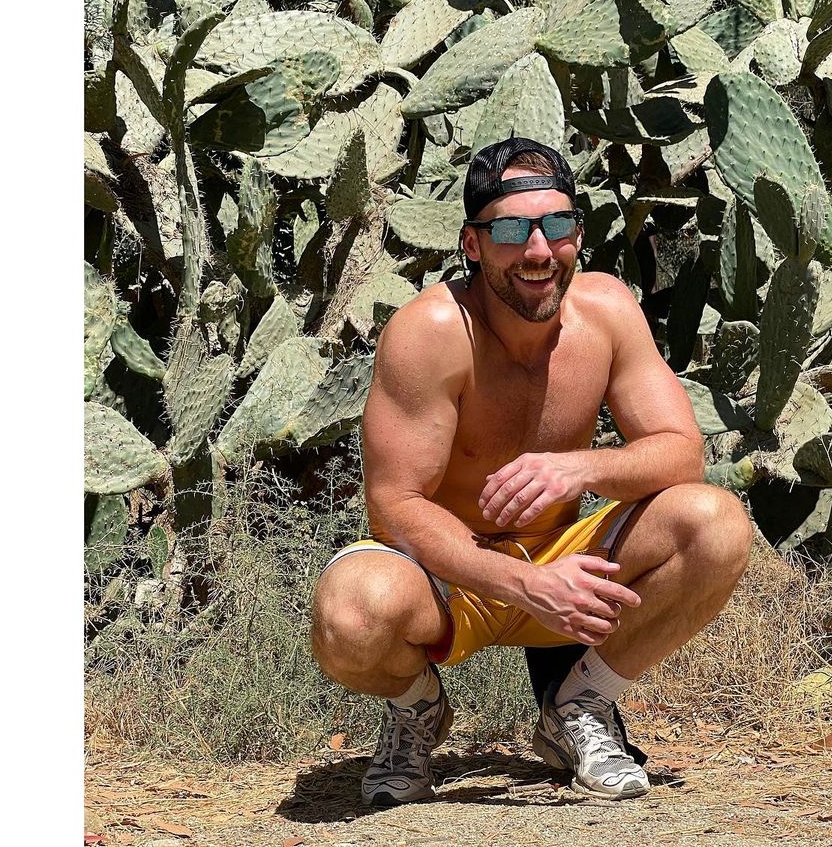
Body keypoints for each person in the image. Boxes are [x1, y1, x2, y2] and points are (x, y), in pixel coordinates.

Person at [311, 137, 753, 805]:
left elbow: (681, 453)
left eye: (558, 225)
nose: (540, 252)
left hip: (564, 562)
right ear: (472, 244)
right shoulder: (429, 332)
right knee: (349, 614)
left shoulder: (607, 313)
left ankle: (580, 706)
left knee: (716, 524)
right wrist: (525, 584)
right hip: (449, 578)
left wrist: (579, 468)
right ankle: (417, 709)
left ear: (580, 232)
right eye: (513, 231)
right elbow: (395, 507)